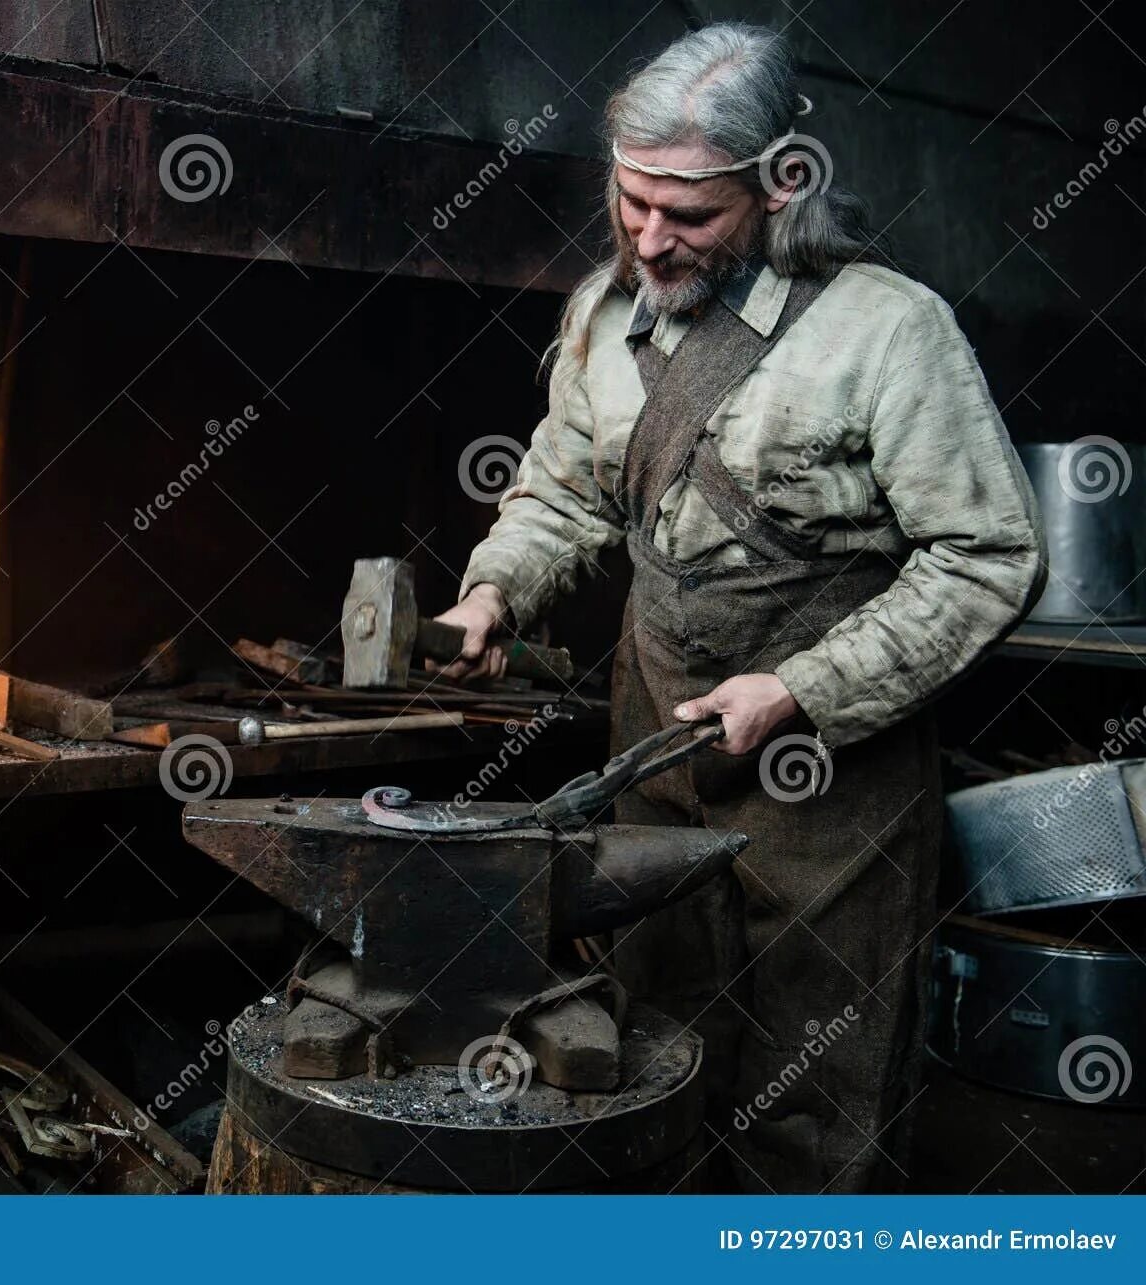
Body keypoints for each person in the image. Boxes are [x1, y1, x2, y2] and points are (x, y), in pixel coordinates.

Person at [433, 23, 1045, 1193]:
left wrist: (803, 689)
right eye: (633, 203)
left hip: (827, 766)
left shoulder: (887, 330)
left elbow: (985, 557)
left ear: (778, 186)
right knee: (648, 1039)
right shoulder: (603, 321)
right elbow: (562, 490)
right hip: (652, 731)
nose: (651, 239)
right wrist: (494, 590)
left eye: (690, 216)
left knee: (819, 1074)